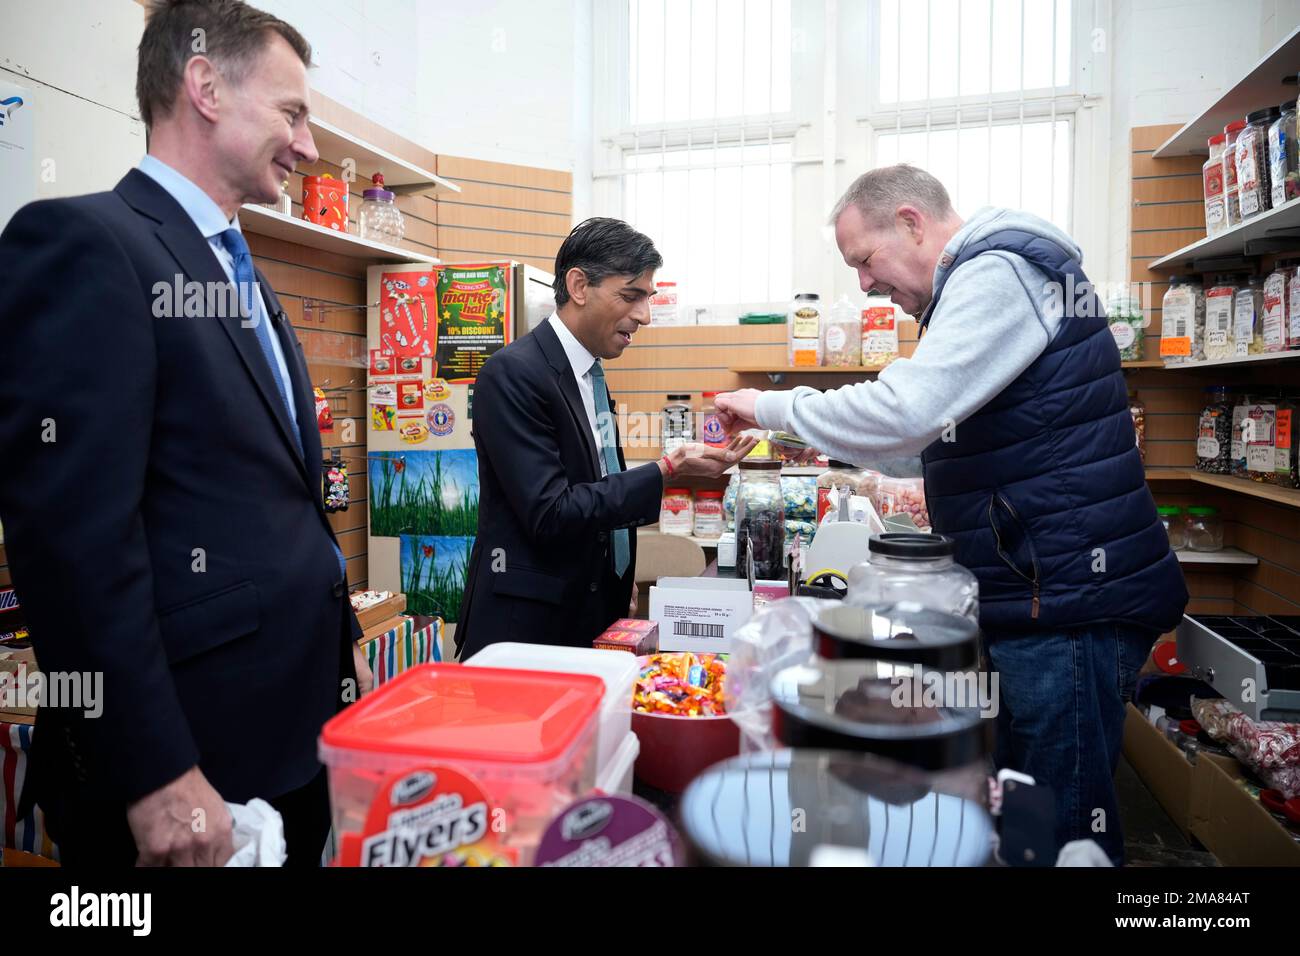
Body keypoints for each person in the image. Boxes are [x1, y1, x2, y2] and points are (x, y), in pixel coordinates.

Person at [714, 164, 1188, 864]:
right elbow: (935, 441)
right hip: (1039, 595)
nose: (866, 286)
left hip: (1065, 605)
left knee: (1059, 830)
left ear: (911, 222)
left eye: (865, 261)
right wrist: (797, 446)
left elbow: (908, 413)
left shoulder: (1001, 274)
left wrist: (772, 405)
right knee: (1022, 815)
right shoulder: (983, 282)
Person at [0, 0, 370, 866]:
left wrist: (341, 665)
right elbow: (72, 544)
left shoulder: (238, 268)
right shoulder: (86, 244)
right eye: (293, 113)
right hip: (183, 763)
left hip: (288, 737)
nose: (309, 146)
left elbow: (277, 502)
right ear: (204, 85)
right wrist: (155, 772)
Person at [455, 218, 754, 660]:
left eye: (648, 299)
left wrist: (618, 572)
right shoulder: (512, 374)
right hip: (528, 631)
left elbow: (595, 480)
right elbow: (551, 512)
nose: (644, 316)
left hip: (590, 608)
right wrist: (667, 471)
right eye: (631, 296)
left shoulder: (589, 374)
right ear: (579, 286)